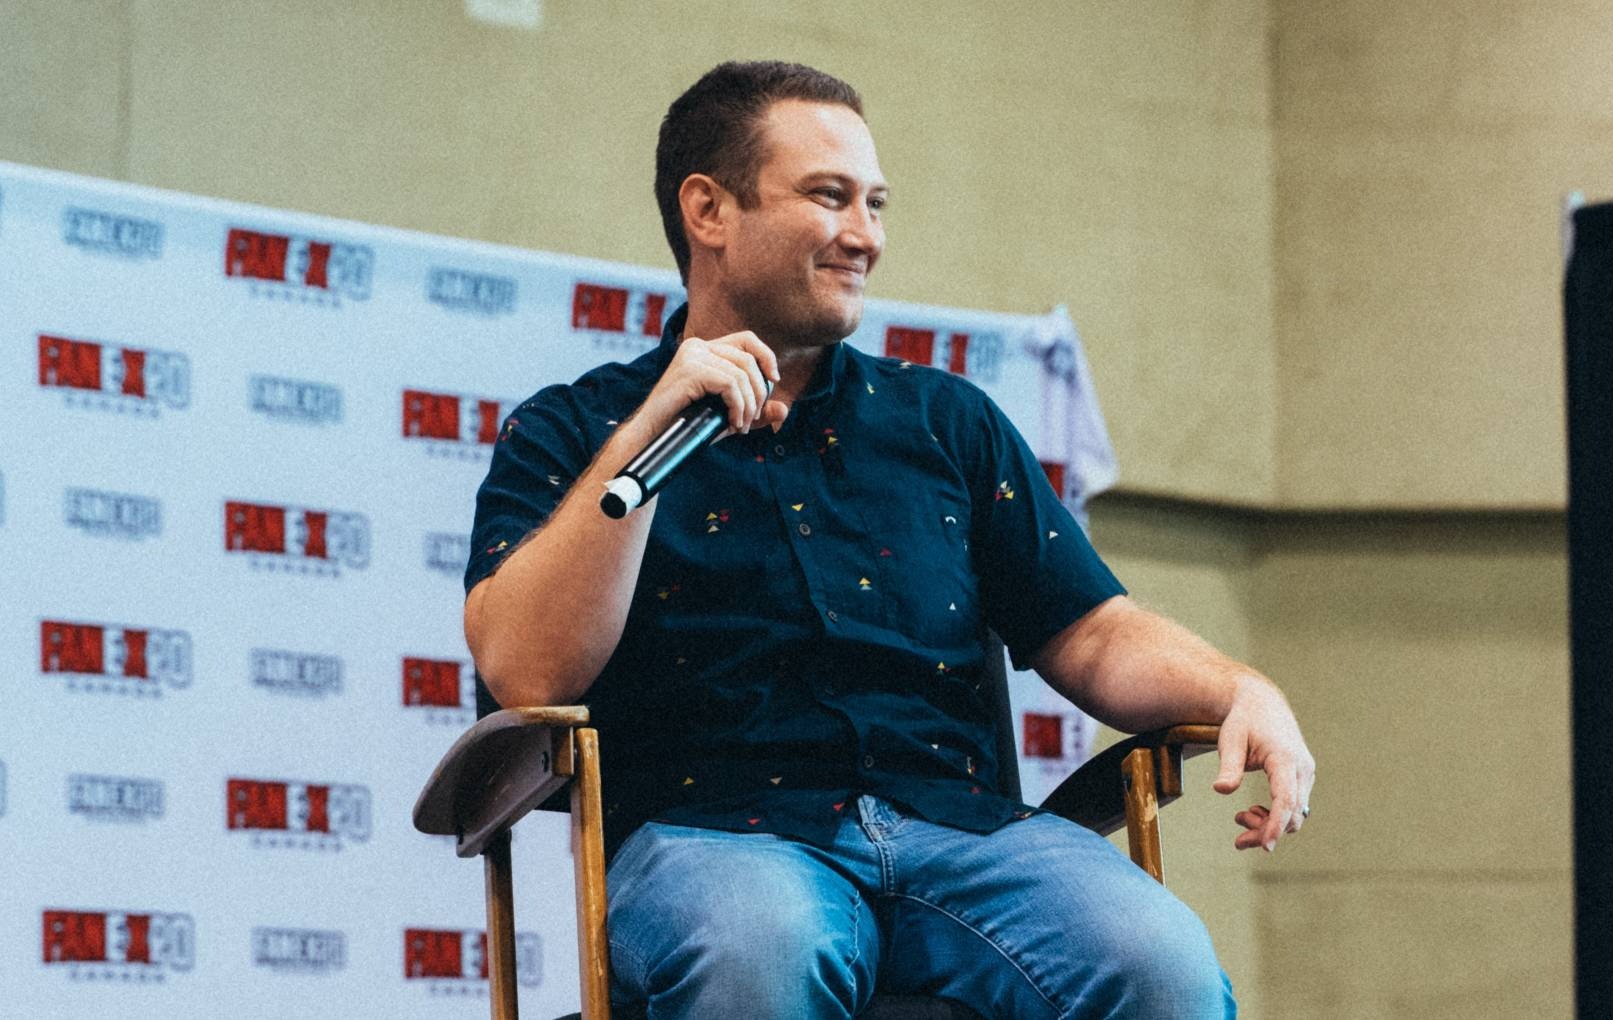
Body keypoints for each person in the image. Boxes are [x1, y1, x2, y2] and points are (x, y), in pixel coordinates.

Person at [464, 60, 1313, 1019]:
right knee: (760, 952)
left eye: (875, 203)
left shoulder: (946, 422)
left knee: (1161, 964)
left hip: (964, 835)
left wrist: (1243, 689)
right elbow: (525, 675)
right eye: (829, 197)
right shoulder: (577, 432)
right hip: (715, 841)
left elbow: (1092, 631)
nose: (864, 235)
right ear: (708, 210)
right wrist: (649, 433)